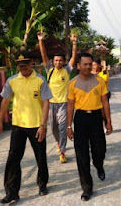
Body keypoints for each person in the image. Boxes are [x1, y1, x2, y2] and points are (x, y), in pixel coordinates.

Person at [0, 51, 52, 204]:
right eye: (20, 65)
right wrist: (0, 121)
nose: (22, 67)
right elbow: (5, 102)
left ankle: (42, 184)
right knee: (13, 158)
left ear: (31, 63)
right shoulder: (12, 81)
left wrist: (43, 125)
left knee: (40, 157)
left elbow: (46, 102)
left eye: (25, 64)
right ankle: (12, 192)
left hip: (36, 126)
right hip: (18, 126)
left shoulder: (40, 80)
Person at [67, 53, 113, 201]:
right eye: (84, 64)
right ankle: (87, 188)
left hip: (95, 119)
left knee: (99, 149)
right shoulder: (72, 83)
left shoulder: (99, 81)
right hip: (80, 119)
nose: (87, 67)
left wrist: (108, 121)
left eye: (89, 64)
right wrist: (68, 126)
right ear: (78, 66)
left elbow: (105, 102)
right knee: (81, 155)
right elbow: (70, 106)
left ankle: (99, 165)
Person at [38, 32, 77, 163]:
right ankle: (58, 143)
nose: (58, 62)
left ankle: (62, 152)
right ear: (53, 62)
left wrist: (74, 43)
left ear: (63, 61)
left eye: (60, 60)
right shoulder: (49, 69)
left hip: (64, 104)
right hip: (51, 104)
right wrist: (40, 41)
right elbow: (43, 55)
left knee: (62, 128)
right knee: (54, 128)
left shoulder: (67, 70)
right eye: (56, 60)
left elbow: (74, 58)